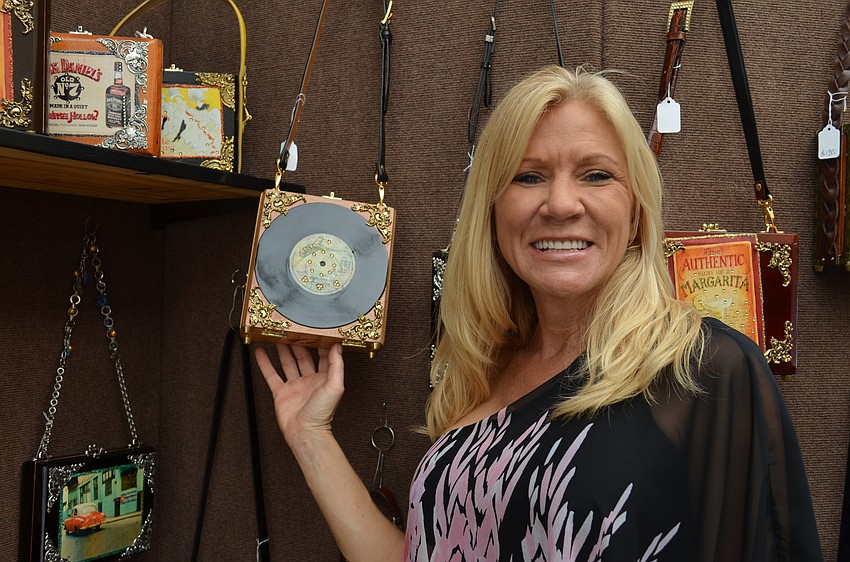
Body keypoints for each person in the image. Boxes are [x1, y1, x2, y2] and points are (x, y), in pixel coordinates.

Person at [256, 65, 824, 561]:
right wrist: (311, 437)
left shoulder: (704, 370)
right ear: (494, 210)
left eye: (596, 175)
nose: (559, 204)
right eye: (528, 176)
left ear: (637, 213)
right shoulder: (480, 374)